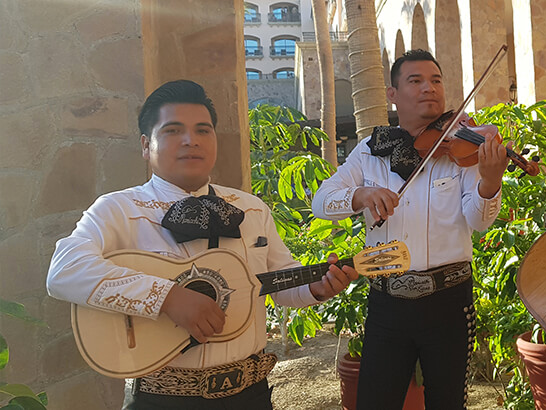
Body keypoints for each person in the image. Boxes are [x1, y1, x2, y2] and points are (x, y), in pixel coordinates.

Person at [47, 80, 358, 409]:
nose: (190, 140)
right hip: (160, 400)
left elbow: (279, 280)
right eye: (172, 131)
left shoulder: (251, 209)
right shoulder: (118, 210)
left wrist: (317, 288)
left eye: (203, 130)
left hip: (250, 395)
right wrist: (167, 297)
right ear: (145, 144)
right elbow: (64, 272)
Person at [311, 49, 510, 409]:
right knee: (375, 401)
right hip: (388, 301)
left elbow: (480, 221)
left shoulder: (462, 146)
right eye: (415, 81)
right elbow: (322, 202)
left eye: (435, 80)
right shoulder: (370, 152)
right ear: (393, 94)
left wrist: (490, 182)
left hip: (449, 300)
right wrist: (361, 194)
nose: (428, 88)